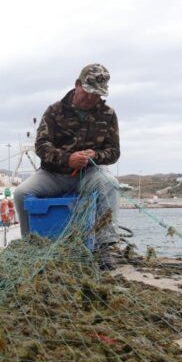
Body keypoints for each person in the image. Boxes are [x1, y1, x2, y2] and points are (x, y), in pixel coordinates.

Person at [13, 63, 122, 266]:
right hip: (53, 175)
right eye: (88, 92)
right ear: (77, 84)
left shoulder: (108, 114)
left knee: (110, 183)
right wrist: (66, 158)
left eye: (97, 95)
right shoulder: (54, 111)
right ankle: (29, 244)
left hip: (88, 174)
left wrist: (95, 156)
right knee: (21, 193)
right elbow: (41, 146)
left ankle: (106, 247)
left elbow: (114, 152)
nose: (91, 99)